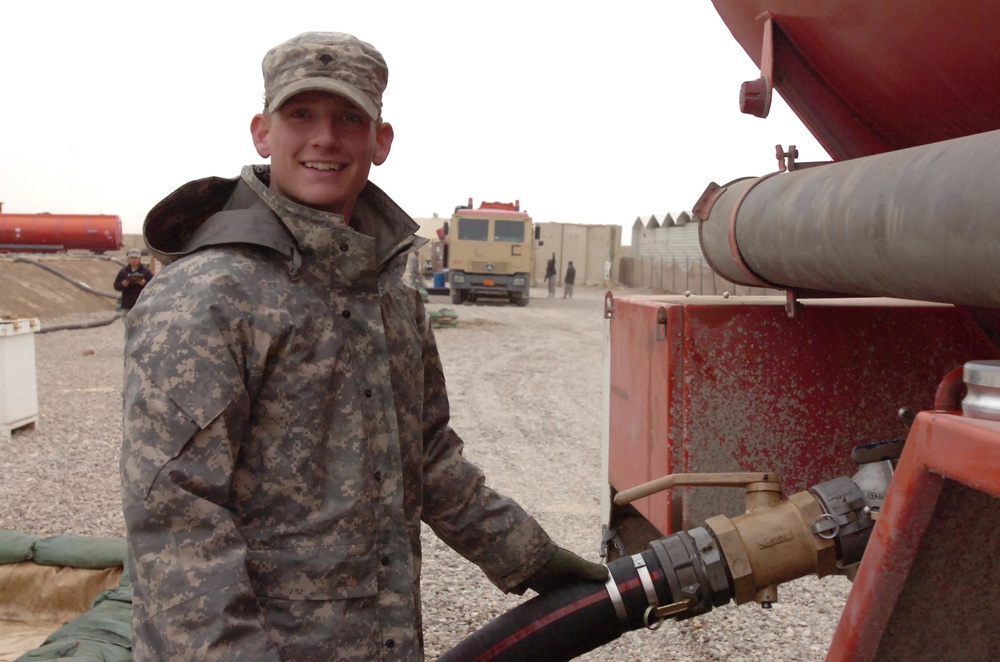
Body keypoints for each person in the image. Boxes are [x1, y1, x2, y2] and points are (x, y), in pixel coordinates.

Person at [119, 31, 606, 661]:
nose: (325, 138)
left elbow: (426, 458)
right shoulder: (209, 295)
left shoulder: (388, 293)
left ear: (381, 141)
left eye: (349, 118)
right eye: (301, 115)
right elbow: (175, 520)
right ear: (263, 133)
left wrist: (531, 558)